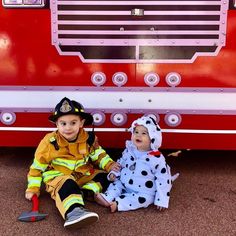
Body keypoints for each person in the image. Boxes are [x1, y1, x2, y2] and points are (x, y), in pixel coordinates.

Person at [25, 97, 120, 229]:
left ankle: (87, 192)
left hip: (82, 175)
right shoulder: (49, 142)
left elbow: (98, 155)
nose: (68, 128)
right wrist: (33, 188)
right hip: (58, 177)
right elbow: (37, 167)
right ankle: (74, 211)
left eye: (73, 123)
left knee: (107, 177)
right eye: (63, 124)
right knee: (68, 184)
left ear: (81, 123)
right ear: (56, 125)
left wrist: (109, 165)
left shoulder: (89, 139)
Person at [94, 115, 178, 212]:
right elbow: (120, 164)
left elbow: (163, 180)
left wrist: (162, 200)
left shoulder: (157, 158)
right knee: (116, 184)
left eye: (144, 133)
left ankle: (119, 204)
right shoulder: (129, 150)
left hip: (144, 190)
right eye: (136, 132)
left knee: (144, 199)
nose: (138, 135)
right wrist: (114, 173)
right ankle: (106, 197)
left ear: (153, 138)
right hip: (124, 182)